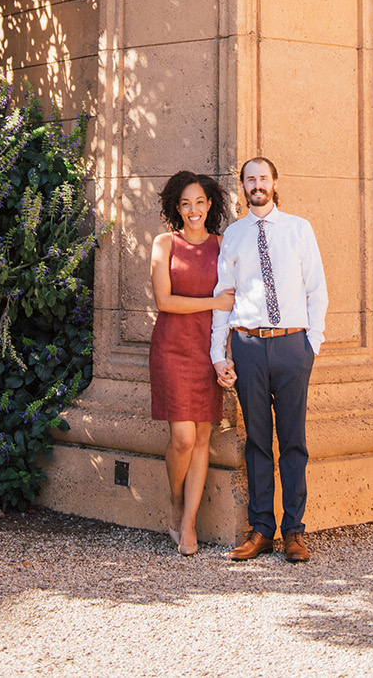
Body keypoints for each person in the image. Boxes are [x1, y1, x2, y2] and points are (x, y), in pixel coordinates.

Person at [210, 156, 327, 563]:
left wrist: (312, 343)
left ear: (275, 182)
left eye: (263, 177)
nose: (257, 184)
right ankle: (261, 530)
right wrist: (217, 353)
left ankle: (294, 531)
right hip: (248, 347)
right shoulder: (235, 236)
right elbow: (224, 297)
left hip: (293, 347)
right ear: (242, 186)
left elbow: (317, 289)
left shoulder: (299, 229)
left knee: (293, 441)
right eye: (250, 179)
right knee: (258, 441)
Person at [149, 170, 235, 556]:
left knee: (203, 438)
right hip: (172, 348)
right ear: (176, 208)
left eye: (199, 202)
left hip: (209, 350)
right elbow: (164, 302)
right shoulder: (164, 243)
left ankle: (188, 524)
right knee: (182, 438)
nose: (193, 209)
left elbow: (236, 300)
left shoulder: (223, 245)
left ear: (210, 204)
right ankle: (174, 500)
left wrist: (228, 352)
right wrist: (213, 303)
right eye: (185, 203)